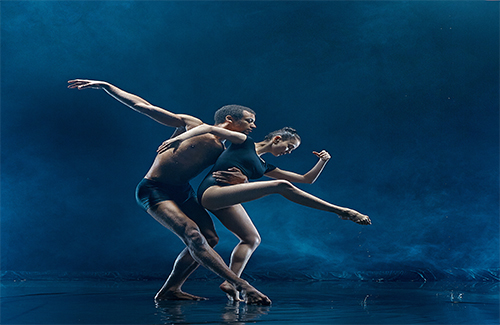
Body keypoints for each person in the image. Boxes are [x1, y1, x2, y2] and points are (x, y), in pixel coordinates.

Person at [67, 79, 271, 305]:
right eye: (249, 121)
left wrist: (241, 179)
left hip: (182, 192)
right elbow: (144, 106)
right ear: (230, 119)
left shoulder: (224, 151)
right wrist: (106, 86)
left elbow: (230, 174)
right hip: (154, 189)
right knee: (193, 235)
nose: (253, 126)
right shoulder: (192, 125)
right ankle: (243, 286)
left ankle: (171, 289)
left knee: (211, 238)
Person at [158, 124, 371, 300]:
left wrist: (323, 161)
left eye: (292, 151)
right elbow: (208, 128)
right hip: (213, 191)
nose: (288, 152)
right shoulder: (244, 142)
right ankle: (341, 211)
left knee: (251, 239)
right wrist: (179, 139)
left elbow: (307, 179)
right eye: (289, 147)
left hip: (227, 196)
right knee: (280, 186)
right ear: (277, 139)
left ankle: (230, 283)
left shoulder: (263, 165)